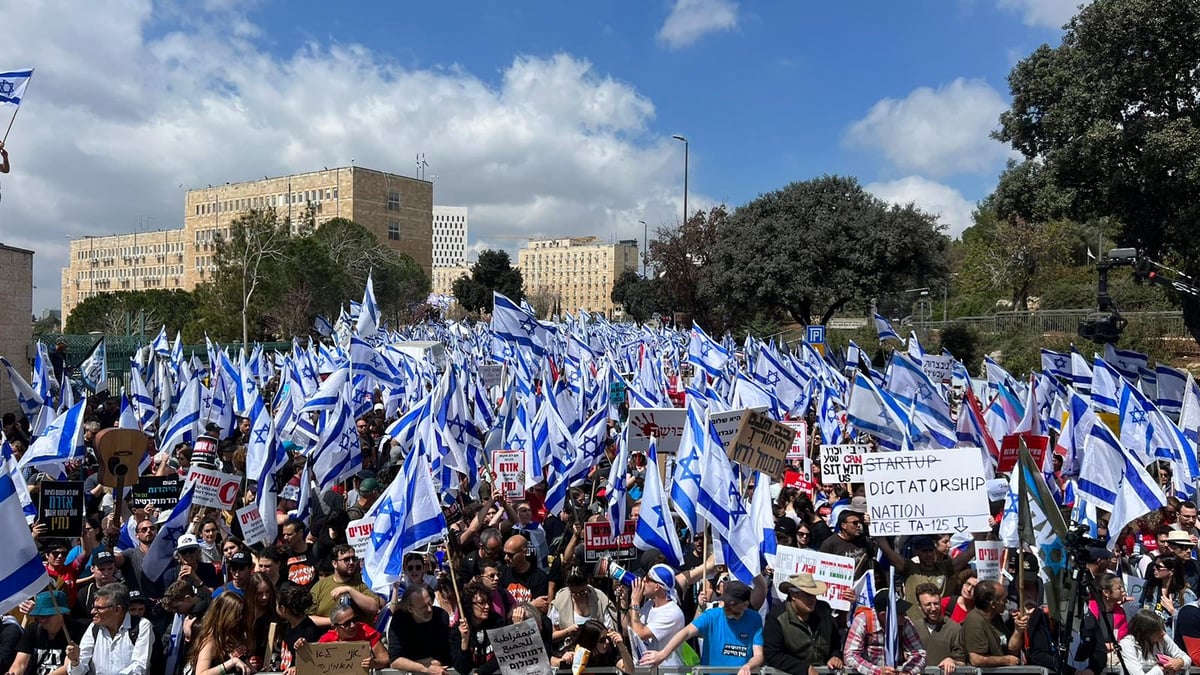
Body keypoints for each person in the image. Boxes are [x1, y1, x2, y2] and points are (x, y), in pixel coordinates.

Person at [640, 580, 764, 674]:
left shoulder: (754, 619)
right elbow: (686, 632)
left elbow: (758, 655)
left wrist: (748, 666)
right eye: (725, 602)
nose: (725, 607)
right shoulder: (712, 615)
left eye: (731, 604)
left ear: (745, 604)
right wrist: (663, 654)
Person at [763, 573, 844, 675]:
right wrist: (805, 669)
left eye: (814, 594)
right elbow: (772, 654)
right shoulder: (777, 617)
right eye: (807, 595)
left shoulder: (825, 612)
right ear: (793, 595)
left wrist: (835, 656)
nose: (812, 599)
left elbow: (835, 643)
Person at [65, 584, 153, 675]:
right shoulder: (94, 627)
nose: (93, 612)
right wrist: (75, 662)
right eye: (93, 607)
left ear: (117, 610)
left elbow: (139, 667)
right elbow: (78, 672)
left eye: (99, 608)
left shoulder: (142, 626)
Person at [843, 589, 926, 675]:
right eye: (899, 613)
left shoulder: (905, 623)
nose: (904, 615)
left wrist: (907, 671)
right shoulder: (863, 621)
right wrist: (877, 671)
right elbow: (850, 656)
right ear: (883, 615)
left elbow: (919, 653)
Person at [626, 564, 687, 668]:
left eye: (648, 578)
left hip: (668, 671)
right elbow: (629, 629)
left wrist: (635, 602)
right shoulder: (649, 605)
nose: (643, 580)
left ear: (657, 587)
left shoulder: (672, 613)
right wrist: (624, 602)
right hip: (651, 669)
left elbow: (639, 634)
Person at [307, 544, 381, 626]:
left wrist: (349, 590)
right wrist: (335, 621)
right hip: (327, 637)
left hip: (358, 637)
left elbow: (373, 608)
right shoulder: (320, 586)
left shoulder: (361, 582)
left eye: (353, 558)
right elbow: (308, 617)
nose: (351, 562)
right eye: (346, 560)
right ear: (334, 563)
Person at [9, 590, 80, 675]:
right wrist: (12, 673)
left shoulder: (75, 631)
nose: (42, 620)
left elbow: (67, 668)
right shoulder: (33, 629)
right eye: (39, 616)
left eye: (47, 615)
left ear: (62, 613)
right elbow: (20, 664)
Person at [387, 584, 452, 675]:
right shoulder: (399, 620)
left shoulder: (441, 616)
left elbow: (442, 657)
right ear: (410, 609)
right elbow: (395, 661)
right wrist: (427, 669)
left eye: (430, 603)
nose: (429, 609)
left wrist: (411, 663)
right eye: (423, 607)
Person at [960, 579, 1027, 667]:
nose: (1006, 602)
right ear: (993, 604)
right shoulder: (975, 621)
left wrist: (1018, 631)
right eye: (1004, 599)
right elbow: (977, 659)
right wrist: (1006, 660)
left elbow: (1011, 650)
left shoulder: (996, 618)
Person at [1077, 572, 1133, 675]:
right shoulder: (1089, 610)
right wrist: (1104, 646)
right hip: (1090, 659)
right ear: (1106, 593)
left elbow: (1123, 639)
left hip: (1114, 656)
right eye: (1119, 588)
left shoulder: (1120, 612)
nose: (1123, 591)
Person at [187, 590, 252, 675]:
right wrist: (232, 663)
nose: (240, 618)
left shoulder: (233, 634)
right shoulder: (210, 641)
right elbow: (201, 673)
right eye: (236, 614)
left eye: (241, 613)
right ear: (225, 614)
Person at [451, 580, 507, 675]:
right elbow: (462, 669)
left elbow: (503, 655)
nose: (487, 606)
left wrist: (480, 672)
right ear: (469, 604)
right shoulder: (459, 630)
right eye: (481, 603)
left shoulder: (497, 622)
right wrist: (465, 641)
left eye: (488, 602)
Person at [913, 583, 967, 675]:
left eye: (936, 603)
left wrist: (952, 661)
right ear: (919, 606)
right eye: (928, 605)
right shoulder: (913, 628)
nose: (933, 608)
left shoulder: (955, 629)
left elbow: (962, 662)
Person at [317, 605, 390, 671]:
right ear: (335, 627)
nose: (353, 625)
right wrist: (305, 647)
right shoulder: (327, 640)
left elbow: (385, 659)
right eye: (347, 623)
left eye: (354, 620)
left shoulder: (366, 632)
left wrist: (375, 663)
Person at [1119, 609, 1191, 675]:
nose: (1162, 633)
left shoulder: (1162, 637)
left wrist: (1180, 662)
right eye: (1158, 631)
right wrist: (1161, 669)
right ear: (1146, 632)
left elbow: (1186, 658)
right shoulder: (1127, 644)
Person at [275, 584, 323, 675]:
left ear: (283, 609)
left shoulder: (309, 632)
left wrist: (297, 667)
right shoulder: (288, 625)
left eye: (276, 605)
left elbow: (312, 661)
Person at [558, 619, 635, 674]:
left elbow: (630, 671)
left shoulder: (610, 652)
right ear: (591, 642)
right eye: (602, 640)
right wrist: (563, 659)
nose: (607, 642)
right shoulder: (576, 652)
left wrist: (622, 647)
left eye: (607, 637)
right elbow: (551, 661)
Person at [1142, 555, 1196, 631]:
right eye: (1154, 565)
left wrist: (1172, 610)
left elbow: (1191, 622)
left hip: (1170, 638)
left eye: (1158, 567)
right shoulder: (1150, 587)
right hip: (1150, 636)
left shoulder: (1186, 594)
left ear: (1171, 571)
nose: (1154, 568)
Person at [499, 534, 549, 612]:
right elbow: (501, 606)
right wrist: (531, 605)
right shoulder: (500, 574)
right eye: (504, 554)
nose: (506, 558)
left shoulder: (540, 578)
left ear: (524, 552)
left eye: (510, 555)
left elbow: (541, 606)